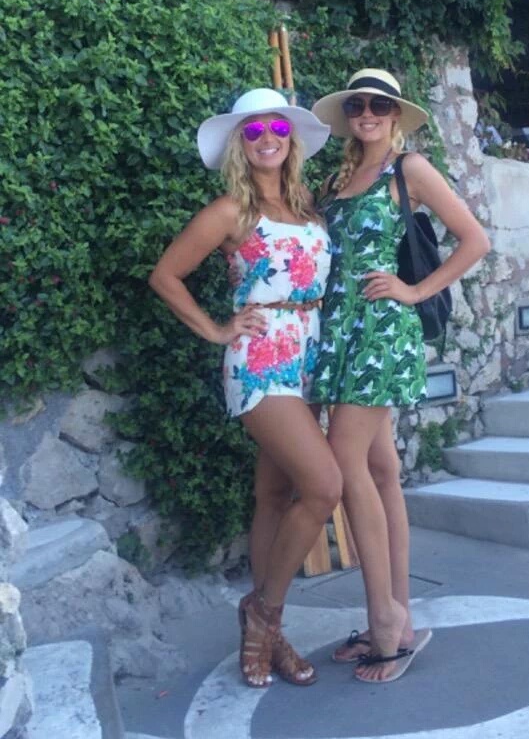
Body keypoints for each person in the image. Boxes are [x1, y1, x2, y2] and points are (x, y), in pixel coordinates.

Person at [148, 87, 341, 689]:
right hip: (261, 356)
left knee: (274, 495)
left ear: (291, 140)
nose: (267, 139)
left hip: (307, 355)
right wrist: (216, 329)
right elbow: (166, 275)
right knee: (324, 486)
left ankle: (270, 635)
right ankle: (265, 615)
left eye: (277, 129)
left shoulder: (306, 207)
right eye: (253, 131)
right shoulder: (230, 211)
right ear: (240, 143)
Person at [310, 68, 491, 683]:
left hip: (382, 334)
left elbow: (474, 240)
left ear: (395, 114)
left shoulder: (407, 169)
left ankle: (383, 620)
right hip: (339, 334)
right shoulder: (336, 181)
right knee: (381, 469)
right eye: (357, 105)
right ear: (347, 116)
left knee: (344, 462)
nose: (367, 113)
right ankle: (400, 613)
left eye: (379, 105)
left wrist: (415, 291)